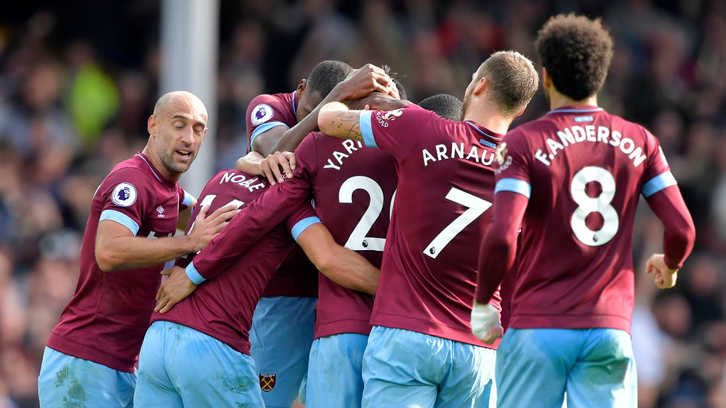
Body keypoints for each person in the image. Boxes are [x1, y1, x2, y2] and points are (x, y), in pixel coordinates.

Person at [470, 15, 697, 408]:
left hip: (538, 327)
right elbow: (682, 228)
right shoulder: (640, 142)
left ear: (546, 77)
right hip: (608, 329)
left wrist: (482, 302)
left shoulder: (523, 144)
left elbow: (504, 235)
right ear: (601, 77)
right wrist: (671, 264)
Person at [316, 51, 539, 408]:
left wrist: (395, 107)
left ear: (479, 84)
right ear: (520, 109)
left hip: (408, 334)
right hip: (477, 353)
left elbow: (329, 120)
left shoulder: (421, 128)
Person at [37, 91, 238, 407]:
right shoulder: (131, 180)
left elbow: (213, 221)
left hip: (125, 364)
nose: (188, 138)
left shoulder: (170, 192)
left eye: (198, 129)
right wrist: (190, 242)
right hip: (86, 360)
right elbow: (109, 251)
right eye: (179, 125)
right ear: (153, 125)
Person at [133, 168, 380, 407]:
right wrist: (395, 289)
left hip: (157, 338)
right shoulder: (288, 198)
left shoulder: (222, 177)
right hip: (213, 341)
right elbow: (329, 258)